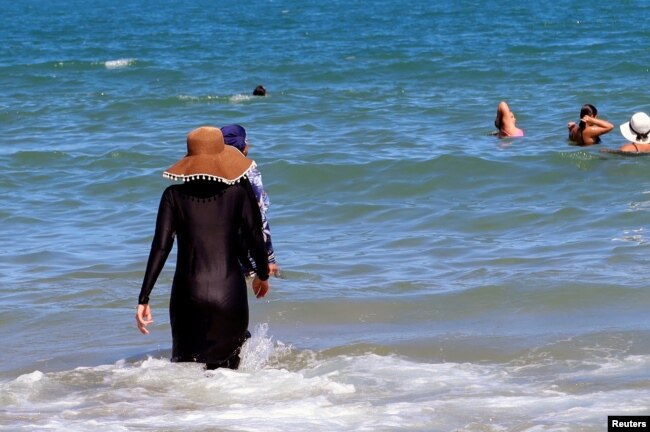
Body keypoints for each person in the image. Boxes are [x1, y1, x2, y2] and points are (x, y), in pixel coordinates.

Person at [135, 126, 270, 370]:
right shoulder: (238, 193)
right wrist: (262, 275)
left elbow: (160, 247)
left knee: (188, 375)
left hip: (187, 297)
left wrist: (144, 298)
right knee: (229, 375)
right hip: (228, 294)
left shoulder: (172, 196)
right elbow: (255, 238)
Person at [221, 124, 278, 277]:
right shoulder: (249, 172)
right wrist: (269, 257)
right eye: (246, 140)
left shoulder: (211, 173)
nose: (249, 145)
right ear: (240, 144)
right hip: (248, 252)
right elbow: (259, 217)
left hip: (218, 252)